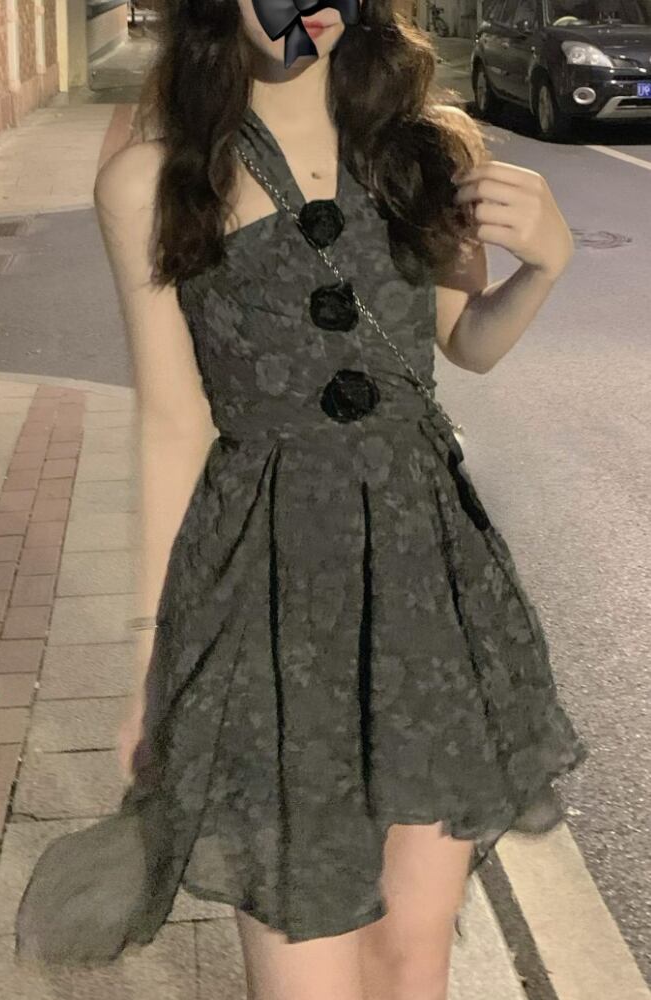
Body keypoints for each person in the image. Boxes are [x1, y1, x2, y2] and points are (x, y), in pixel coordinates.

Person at [93, 2, 589, 998]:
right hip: (264, 599)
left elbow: (464, 344)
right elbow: (171, 424)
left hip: (424, 586)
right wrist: (153, 654)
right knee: (306, 973)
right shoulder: (153, 176)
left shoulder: (427, 149)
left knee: (412, 958)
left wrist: (548, 264)